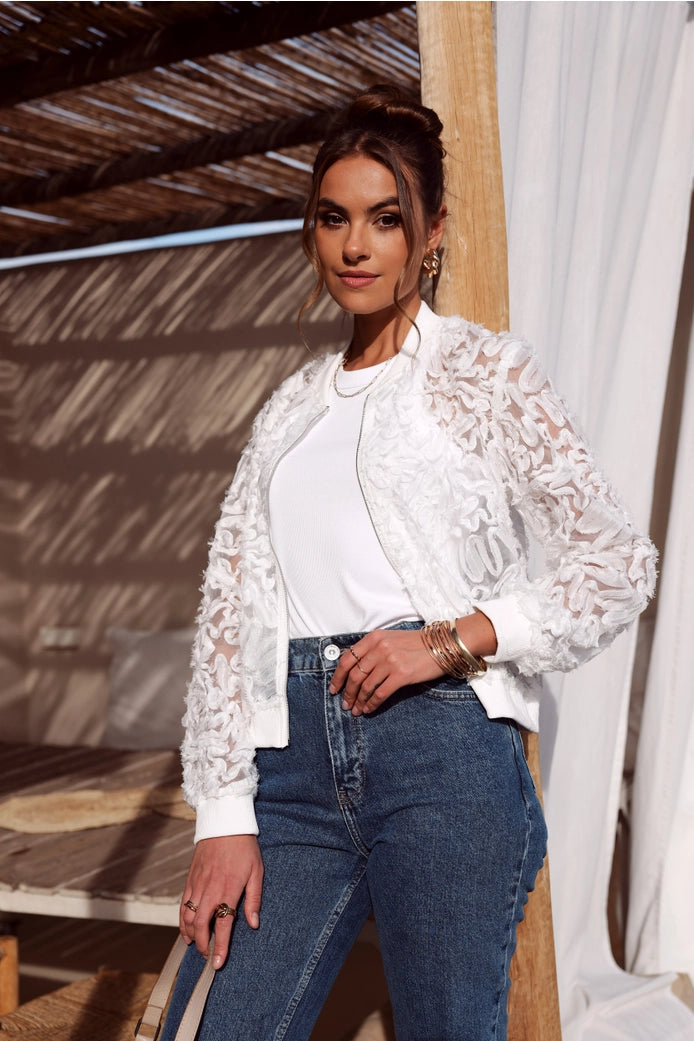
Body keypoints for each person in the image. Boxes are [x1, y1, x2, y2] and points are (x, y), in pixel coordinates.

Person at [161, 85, 656, 1041]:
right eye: (334, 218)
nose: (356, 246)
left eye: (385, 220)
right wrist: (222, 812)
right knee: (219, 1027)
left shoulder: (486, 373)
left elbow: (617, 563)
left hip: (440, 756)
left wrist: (451, 640)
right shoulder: (286, 413)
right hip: (292, 770)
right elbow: (231, 618)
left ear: (429, 233)